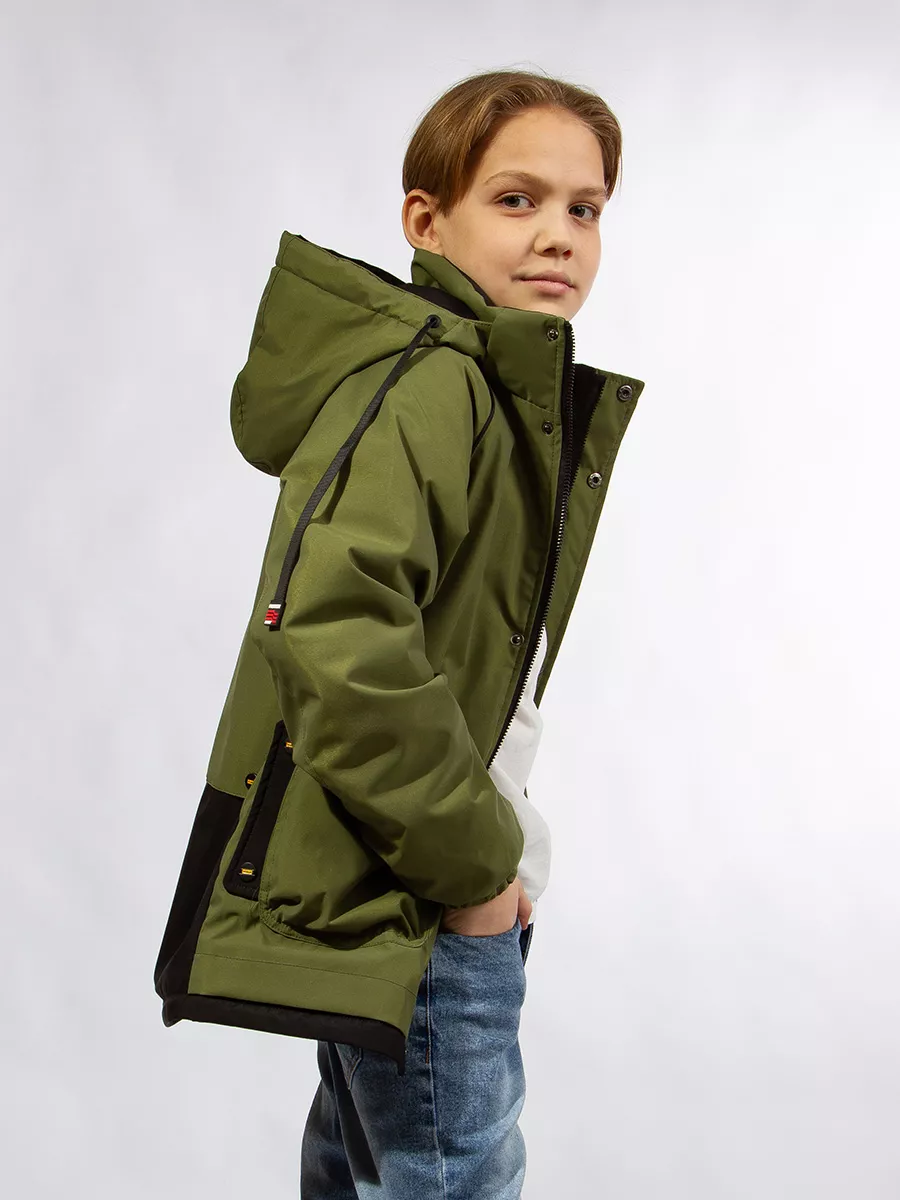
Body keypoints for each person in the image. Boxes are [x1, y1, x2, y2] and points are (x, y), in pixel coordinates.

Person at [153, 67, 644, 1200]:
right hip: (421, 894)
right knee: (452, 1181)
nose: (559, 235)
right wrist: (475, 872)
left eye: (585, 208)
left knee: (367, 1173)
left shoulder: (494, 388)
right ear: (426, 221)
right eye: (516, 199)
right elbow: (337, 633)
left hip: (415, 880)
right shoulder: (437, 388)